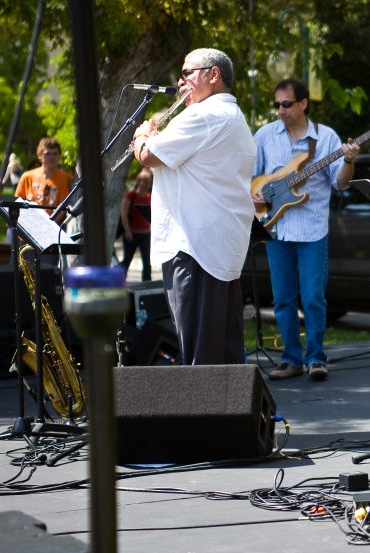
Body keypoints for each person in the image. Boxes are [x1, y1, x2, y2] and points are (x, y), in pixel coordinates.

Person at [132, 48, 256, 365]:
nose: (181, 81)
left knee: (198, 353)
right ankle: (226, 413)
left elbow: (148, 155)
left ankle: (205, 413)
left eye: (188, 73)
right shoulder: (230, 115)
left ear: (213, 75)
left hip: (194, 250)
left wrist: (143, 134)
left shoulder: (204, 115)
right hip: (215, 249)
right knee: (220, 351)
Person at [252, 78, 360, 382]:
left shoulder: (325, 139)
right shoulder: (264, 136)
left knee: (313, 297)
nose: (280, 110)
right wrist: (254, 195)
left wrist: (349, 160)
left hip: (311, 231)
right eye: (276, 105)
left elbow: (340, 183)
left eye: (286, 104)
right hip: (275, 228)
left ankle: (316, 358)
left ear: (303, 104)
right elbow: (249, 176)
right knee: (282, 299)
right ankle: (291, 359)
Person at [15, 138, 73, 225]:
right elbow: (17, 204)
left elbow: (63, 209)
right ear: (40, 156)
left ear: (59, 156)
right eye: (47, 154)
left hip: (53, 227)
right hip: (28, 225)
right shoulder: (27, 177)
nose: (52, 157)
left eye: (55, 154)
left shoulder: (66, 178)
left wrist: (50, 227)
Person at [119, 168, 153, 281]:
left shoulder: (150, 198)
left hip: (145, 234)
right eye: (142, 181)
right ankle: (118, 282)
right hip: (131, 234)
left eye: (147, 181)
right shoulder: (130, 196)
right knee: (127, 260)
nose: (144, 184)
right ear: (138, 181)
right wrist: (127, 230)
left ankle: (147, 286)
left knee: (147, 263)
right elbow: (123, 214)